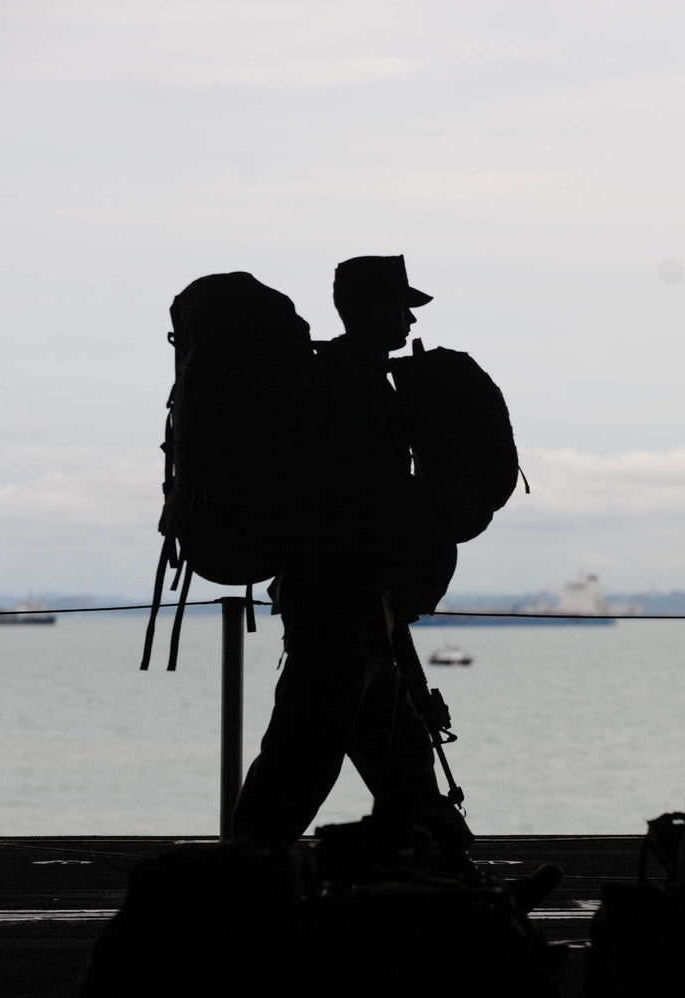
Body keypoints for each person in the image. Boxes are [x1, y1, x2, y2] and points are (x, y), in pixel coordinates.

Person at [230, 256, 475, 872]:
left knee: (401, 756)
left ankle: (456, 877)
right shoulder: (349, 386)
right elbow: (362, 500)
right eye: (400, 304)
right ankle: (240, 883)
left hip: (359, 605)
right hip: (342, 602)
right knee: (304, 756)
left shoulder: (354, 379)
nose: (410, 316)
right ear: (366, 309)